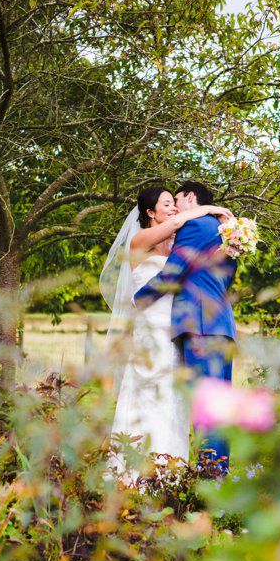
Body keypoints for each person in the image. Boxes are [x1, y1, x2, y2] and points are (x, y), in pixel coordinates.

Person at [99, 186, 233, 483]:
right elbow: (175, 228)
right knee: (148, 391)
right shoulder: (139, 241)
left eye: (175, 203)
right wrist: (206, 209)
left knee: (174, 398)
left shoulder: (174, 245)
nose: (173, 209)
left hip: (175, 330)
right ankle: (136, 472)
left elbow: (195, 268)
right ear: (150, 212)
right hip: (151, 327)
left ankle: (171, 473)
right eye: (167, 203)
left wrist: (230, 244)